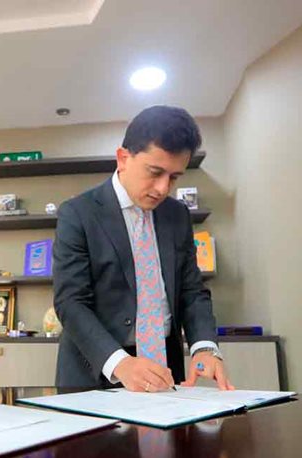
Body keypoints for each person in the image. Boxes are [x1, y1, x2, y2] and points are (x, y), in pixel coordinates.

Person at [53, 105, 234, 392]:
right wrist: (121, 363)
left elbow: (192, 290)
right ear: (123, 158)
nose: (163, 188)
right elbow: (70, 302)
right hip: (96, 373)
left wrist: (204, 347)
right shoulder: (78, 213)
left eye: (174, 177)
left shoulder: (177, 215)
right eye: (155, 172)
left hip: (165, 369)